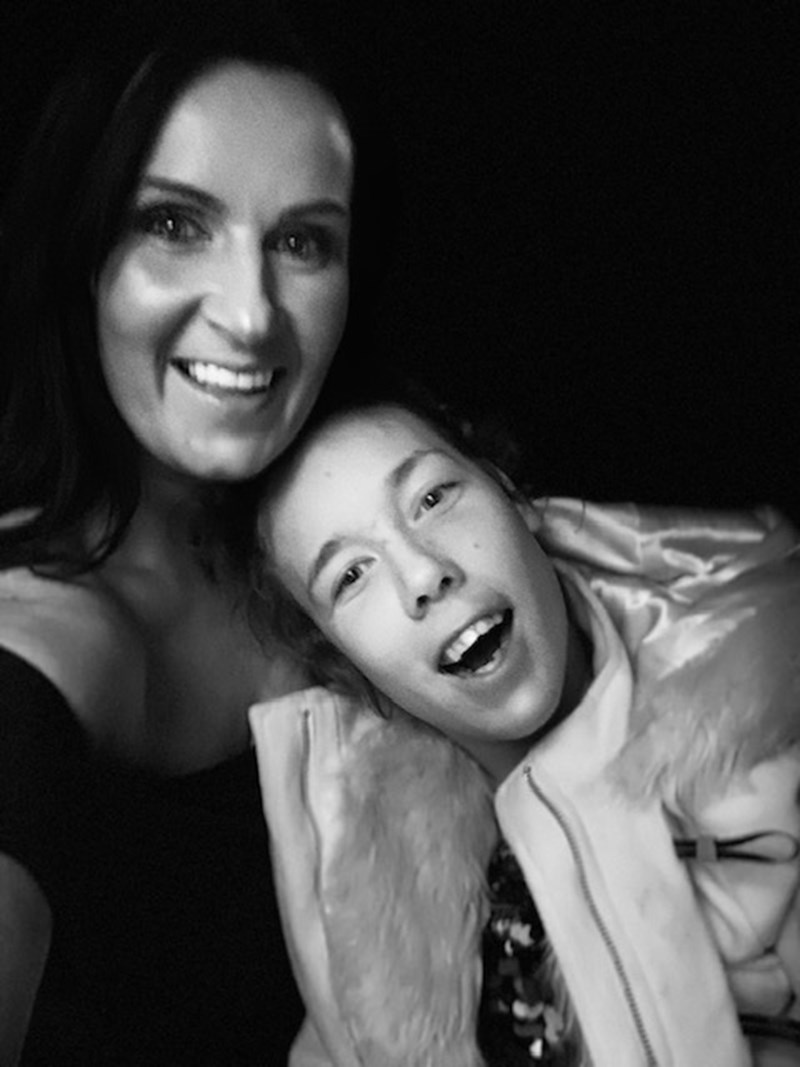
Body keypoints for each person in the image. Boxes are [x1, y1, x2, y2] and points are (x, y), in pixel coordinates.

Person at [0, 0, 375, 1060]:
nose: (251, 314)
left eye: (301, 241)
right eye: (174, 225)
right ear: (82, 250)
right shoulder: (42, 635)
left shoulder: (370, 531)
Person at [249, 396, 800, 1067]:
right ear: (346, 664)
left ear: (513, 496)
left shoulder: (775, 729)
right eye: (351, 575)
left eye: (432, 498)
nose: (423, 574)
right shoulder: (363, 910)